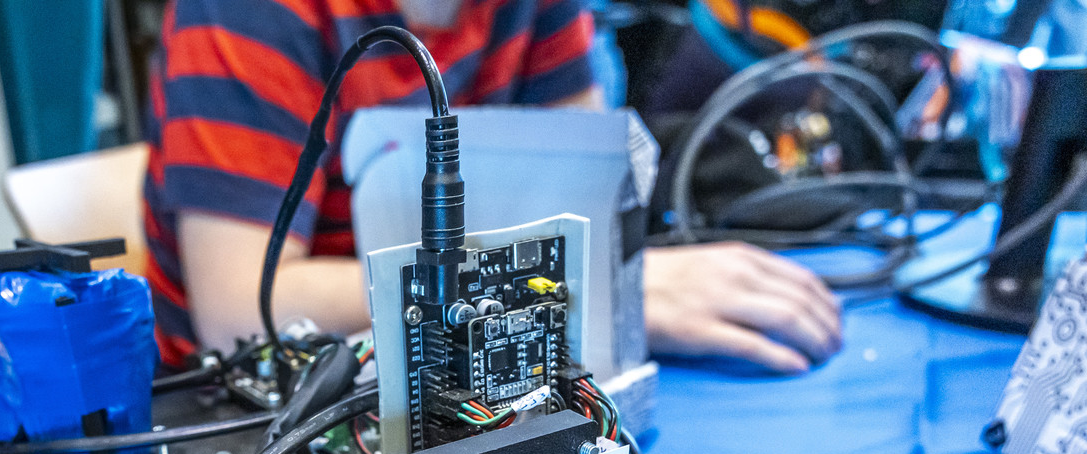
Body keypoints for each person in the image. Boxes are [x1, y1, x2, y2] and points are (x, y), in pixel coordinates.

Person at [144, 0, 844, 376]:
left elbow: (581, 207)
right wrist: (584, 292)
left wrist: (588, 279)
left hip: (465, 357)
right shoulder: (246, 12)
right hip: (254, 412)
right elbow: (244, 312)